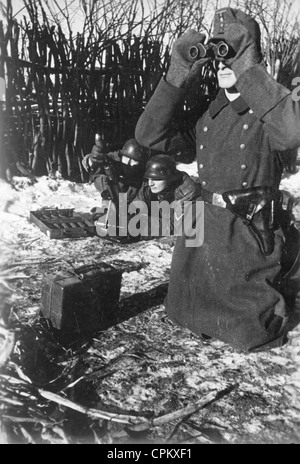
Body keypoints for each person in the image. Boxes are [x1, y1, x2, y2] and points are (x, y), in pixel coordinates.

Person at [135, 6, 300, 352]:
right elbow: (148, 135)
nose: (224, 63)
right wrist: (177, 73)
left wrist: (247, 70)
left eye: (233, 53)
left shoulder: (273, 110)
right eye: (220, 55)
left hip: (247, 238)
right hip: (202, 239)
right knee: (183, 312)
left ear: (252, 58)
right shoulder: (207, 114)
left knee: (249, 331)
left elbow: (290, 134)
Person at [131, 154, 199, 238]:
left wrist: (140, 224)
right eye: (149, 178)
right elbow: (136, 207)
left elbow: (175, 227)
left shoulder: (186, 192)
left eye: (156, 179)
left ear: (170, 177)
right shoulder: (150, 185)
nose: (150, 183)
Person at [82, 136, 151, 205]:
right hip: (111, 203)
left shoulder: (146, 173)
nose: (128, 162)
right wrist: (91, 160)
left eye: (134, 160)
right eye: (126, 158)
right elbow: (94, 163)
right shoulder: (116, 158)